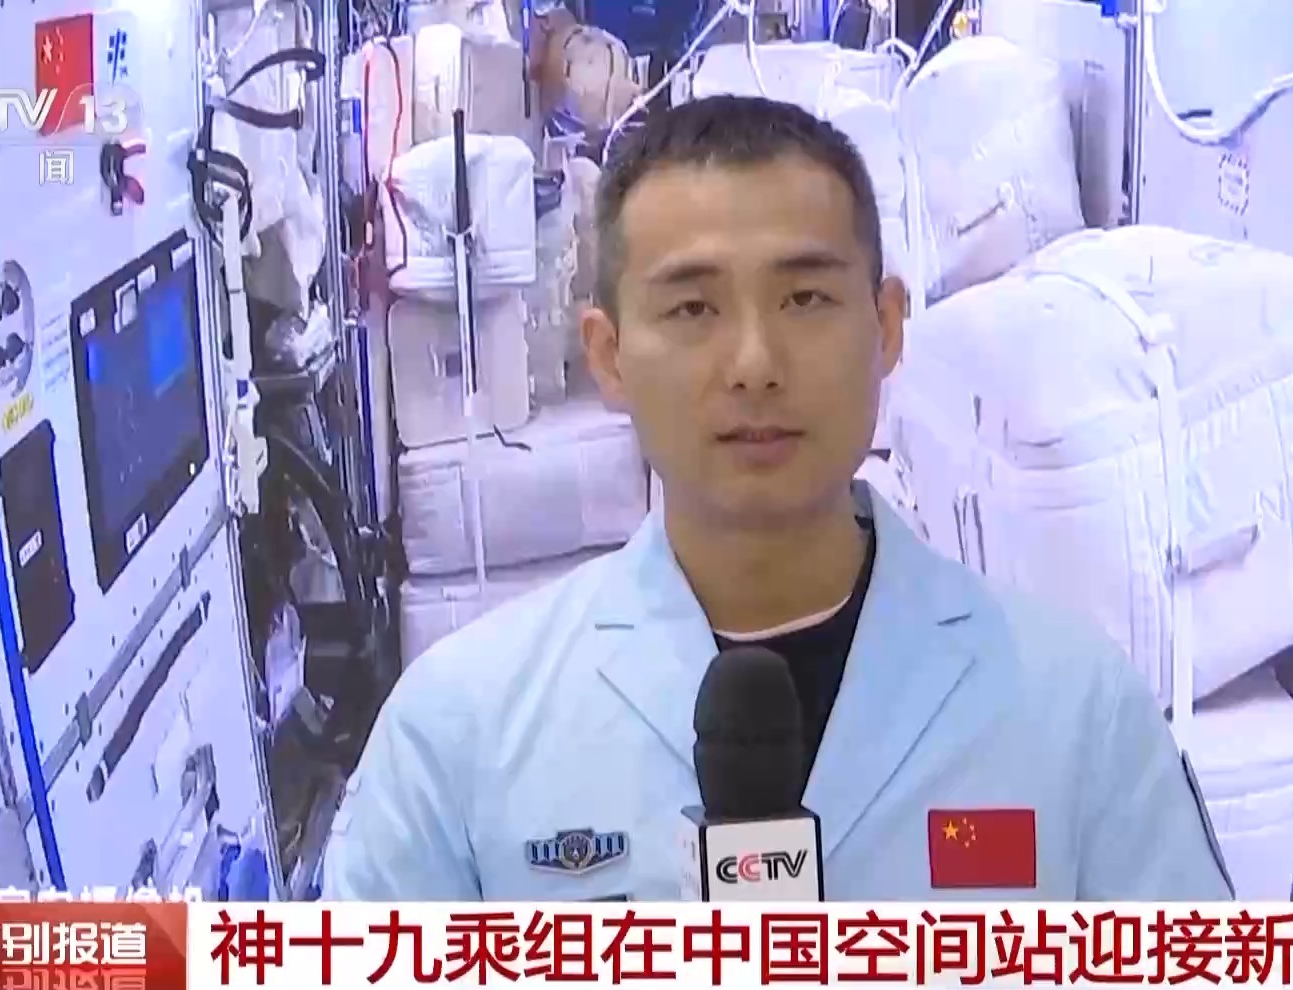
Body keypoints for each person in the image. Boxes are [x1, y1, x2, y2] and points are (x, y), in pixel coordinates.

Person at [324, 95, 1234, 901]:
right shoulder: (458, 735)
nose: (754, 365)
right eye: (692, 309)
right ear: (608, 356)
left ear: (885, 327)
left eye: (804, 299)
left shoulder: (1077, 716)